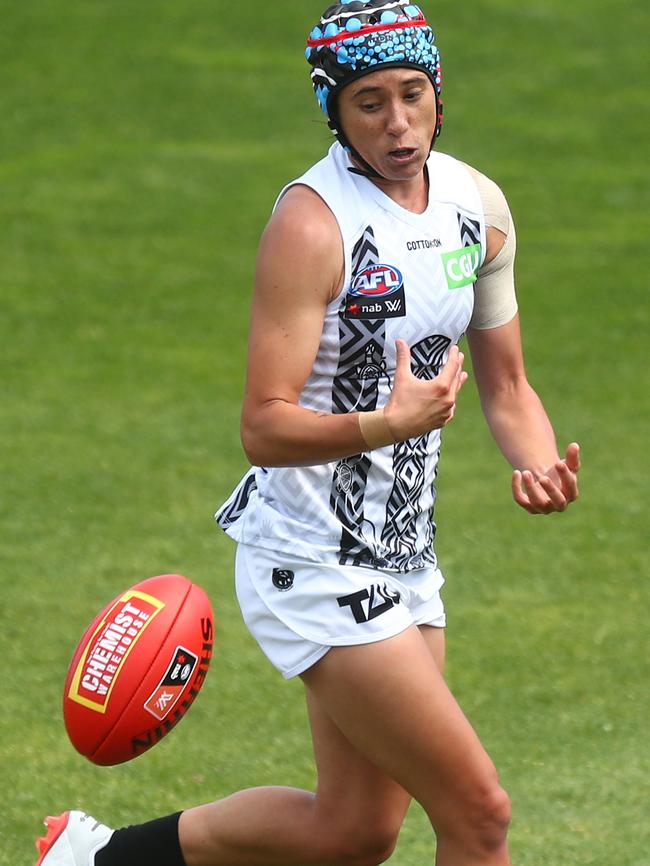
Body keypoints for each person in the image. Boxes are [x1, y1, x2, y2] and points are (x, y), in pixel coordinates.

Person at [35, 2, 581, 865]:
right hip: (312, 558)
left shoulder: (478, 208)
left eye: (413, 94)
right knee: (479, 814)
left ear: (439, 91)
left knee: (354, 832)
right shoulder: (312, 224)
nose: (398, 123)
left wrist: (539, 462)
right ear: (334, 108)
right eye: (369, 102)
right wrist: (385, 422)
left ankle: (94, 858)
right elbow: (262, 425)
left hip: (405, 554)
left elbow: (509, 385)